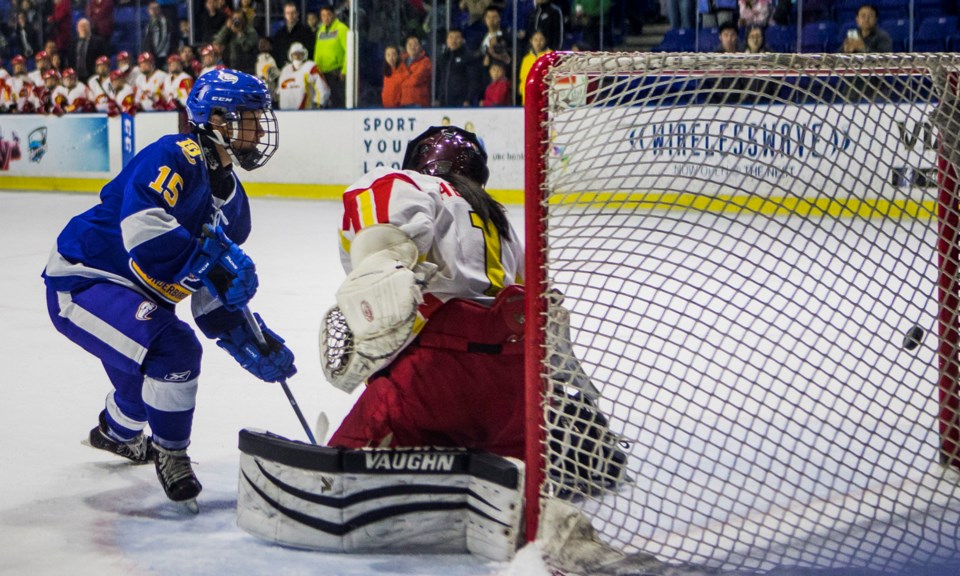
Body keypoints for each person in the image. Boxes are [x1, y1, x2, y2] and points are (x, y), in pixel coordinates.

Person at [42, 69, 295, 508]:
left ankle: (116, 432)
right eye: (251, 116)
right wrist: (213, 258)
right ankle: (171, 454)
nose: (260, 127)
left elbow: (208, 303)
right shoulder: (175, 154)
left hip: (136, 296)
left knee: (145, 394)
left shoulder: (235, 207)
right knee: (173, 351)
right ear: (217, 118)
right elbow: (143, 237)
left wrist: (248, 339)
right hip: (85, 280)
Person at [321, 125, 527, 459]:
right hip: (513, 388)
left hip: (434, 377)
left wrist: (381, 269)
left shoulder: (412, 184)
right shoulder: (502, 223)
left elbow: (382, 241)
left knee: (337, 471)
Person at [313, 5, 349, 109]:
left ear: (334, 15)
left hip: (336, 73)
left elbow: (349, 50)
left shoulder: (342, 29)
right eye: (323, 15)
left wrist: (345, 70)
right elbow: (317, 52)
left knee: (337, 102)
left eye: (328, 15)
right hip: (322, 74)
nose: (326, 18)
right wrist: (316, 69)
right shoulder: (321, 31)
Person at [276, 41, 330, 109]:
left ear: (304, 55)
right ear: (290, 56)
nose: (297, 56)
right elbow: (279, 91)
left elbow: (322, 87)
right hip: (285, 113)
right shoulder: (285, 70)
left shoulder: (310, 67)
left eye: (300, 54)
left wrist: (320, 104)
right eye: (295, 54)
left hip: (305, 113)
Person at [435, 28, 480, 107]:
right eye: (451, 37)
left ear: (462, 40)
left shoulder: (468, 57)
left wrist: (468, 99)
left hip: (461, 103)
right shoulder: (443, 58)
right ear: (447, 40)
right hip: (443, 102)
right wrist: (436, 98)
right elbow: (438, 79)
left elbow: (473, 80)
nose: (453, 40)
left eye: (457, 37)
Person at [271, 2, 315, 66]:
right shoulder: (279, 33)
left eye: (293, 13)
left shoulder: (306, 31)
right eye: (288, 13)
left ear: (297, 14)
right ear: (285, 15)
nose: (290, 15)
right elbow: (276, 52)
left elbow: (310, 51)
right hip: (283, 69)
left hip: (300, 68)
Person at [68, 18, 108, 83]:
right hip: (76, 77)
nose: (83, 28)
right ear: (77, 29)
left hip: (93, 76)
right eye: (81, 26)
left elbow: (103, 58)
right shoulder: (73, 43)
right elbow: (70, 60)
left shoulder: (98, 42)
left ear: (89, 27)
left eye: (85, 26)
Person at [398, 35, 432, 108]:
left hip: (418, 102)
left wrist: (401, 82)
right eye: (410, 44)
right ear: (406, 46)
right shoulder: (401, 61)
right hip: (402, 101)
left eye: (415, 44)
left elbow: (415, 80)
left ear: (420, 46)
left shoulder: (426, 61)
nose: (412, 47)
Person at [519, 30, 552, 104]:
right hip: (528, 100)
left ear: (545, 40)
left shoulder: (550, 56)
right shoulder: (526, 59)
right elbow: (523, 79)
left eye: (541, 39)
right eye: (535, 40)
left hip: (545, 101)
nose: (538, 43)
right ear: (531, 41)